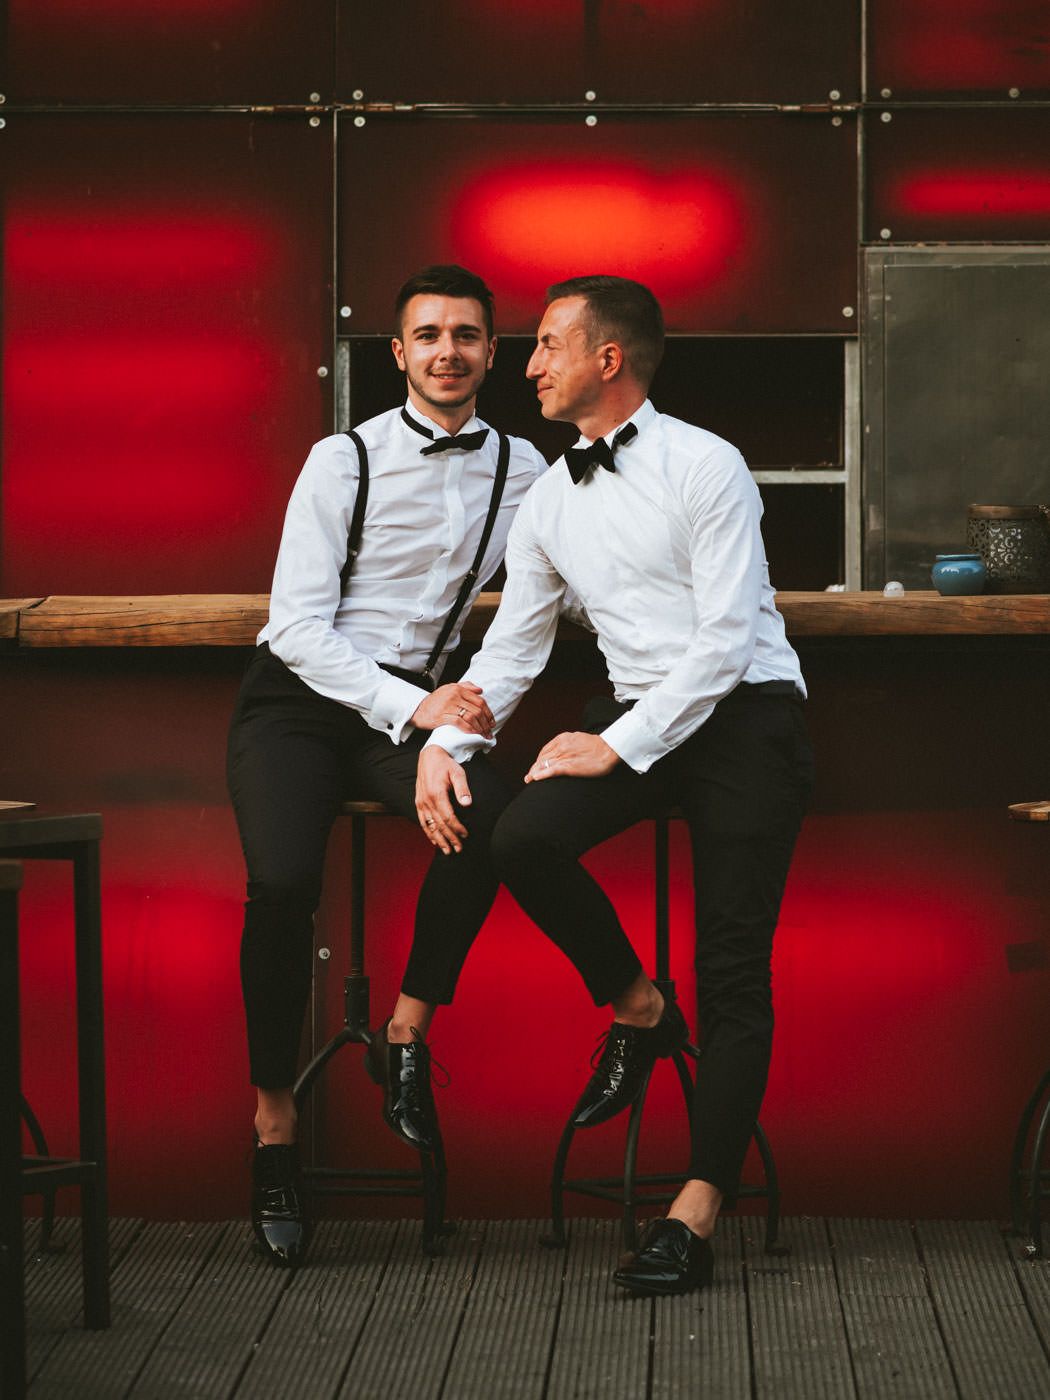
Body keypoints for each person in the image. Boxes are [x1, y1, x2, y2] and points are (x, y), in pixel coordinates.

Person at [416, 275, 813, 1296]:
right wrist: (446, 745)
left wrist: (617, 742)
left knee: (733, 966)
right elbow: (509, 653)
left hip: (747, 716)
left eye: (547, 345)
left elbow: (727, 640)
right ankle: (639, 1008)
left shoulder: (706, 463)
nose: (530, 363)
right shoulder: (549, 496)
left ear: (608, 359)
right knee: (520, 835)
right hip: (642, 712)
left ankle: (695, 1209)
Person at [227, 264, 547, 1268]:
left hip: (415, 705)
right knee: (282, 883)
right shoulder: (342, 460)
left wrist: (441, 739)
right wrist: (418, 710)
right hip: (299, 700)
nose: (448, 350)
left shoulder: (528, 472)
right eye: (429, 334)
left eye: (467, 334)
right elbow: (295, 629)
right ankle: (275, 1121)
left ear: (493, 353)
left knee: (493, 815)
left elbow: (568, 583)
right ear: (398, 352)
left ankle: (407, 1032)